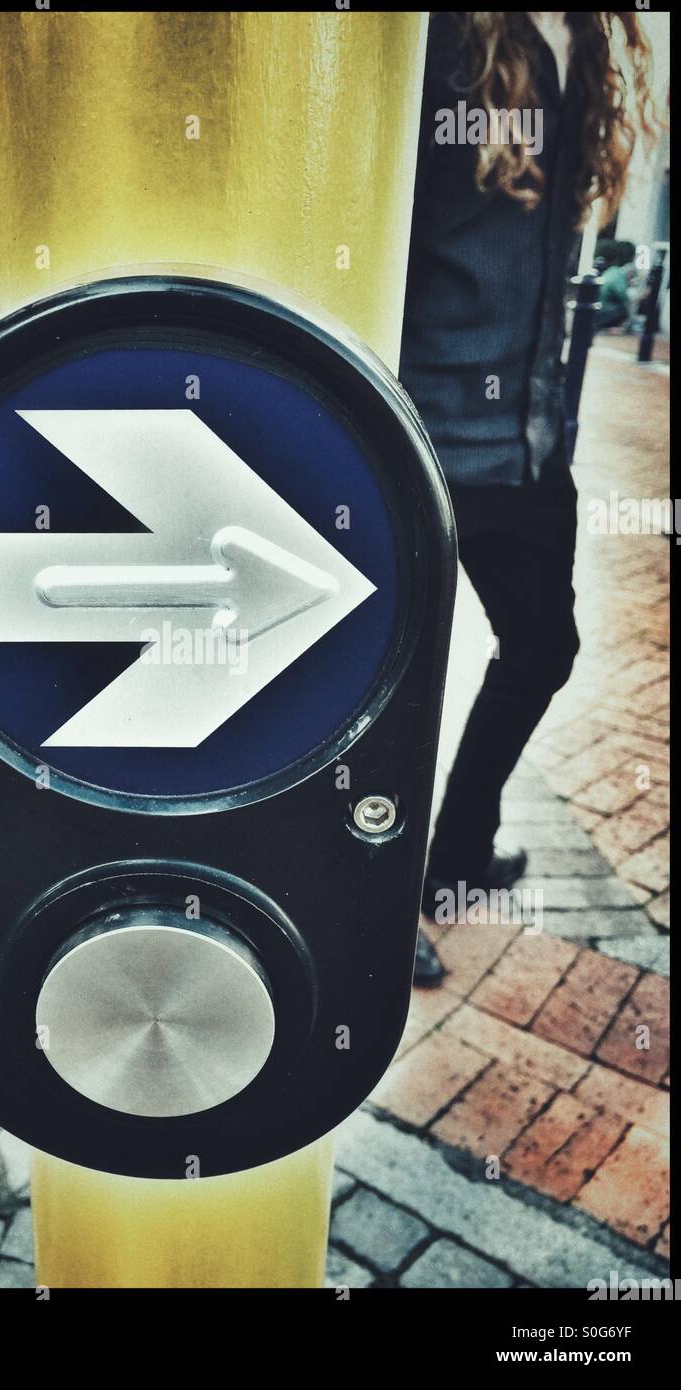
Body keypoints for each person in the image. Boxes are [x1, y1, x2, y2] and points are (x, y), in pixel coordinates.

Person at [400, 12, 656, 984]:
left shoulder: (578, 43)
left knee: (542, 646)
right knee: (389, 689)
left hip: (524, 445)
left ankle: (454, 855)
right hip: (419, 436)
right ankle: (372, 908)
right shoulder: (445, 41)